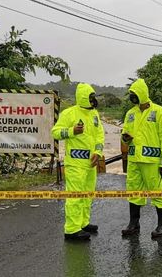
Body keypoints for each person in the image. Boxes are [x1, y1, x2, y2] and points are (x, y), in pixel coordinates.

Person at [121, 78, 162, 239]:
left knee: (157, 192)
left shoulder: (159, 112)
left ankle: (161, 225)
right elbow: (125, 136)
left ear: (143, 94)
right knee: (133, 190)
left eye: (135, 94)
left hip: (152, 161)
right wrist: (125, 138)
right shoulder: (130, 113)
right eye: (131, 94)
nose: (133, 97)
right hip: (134, 160)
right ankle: (134, 223)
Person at [51, 83, 104, 241]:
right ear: (83, 97)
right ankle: (72, 229)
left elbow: (99, 136)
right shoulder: (69, 113)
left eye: (94, 97)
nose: (93, 100)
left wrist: (98, 152)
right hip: (75, 163)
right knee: (75, 196)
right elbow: (55, 132)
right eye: (91, 97)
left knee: (88, 194)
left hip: (90, 163)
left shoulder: (94, 114)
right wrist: (72, 131)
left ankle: (83, 223)